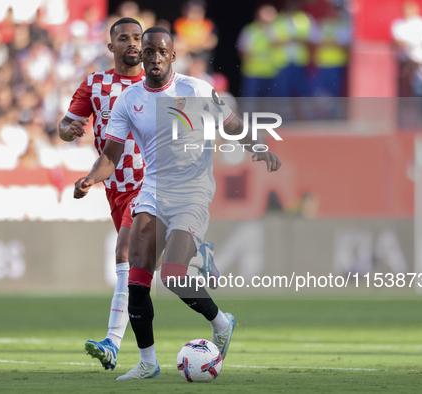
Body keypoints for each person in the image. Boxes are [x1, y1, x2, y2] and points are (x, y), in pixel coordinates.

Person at [74, 27, 281, 380]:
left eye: (161, 52)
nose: (154, 57)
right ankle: (147, 362)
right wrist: (92, 178)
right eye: (149, 51)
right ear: (142, 55)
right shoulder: (129, 100)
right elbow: (111, 155)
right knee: (137, 280)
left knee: (171, 275)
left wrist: (259, 148)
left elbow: (231, 124)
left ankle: (221, 322)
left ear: (172, 56)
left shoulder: (195, 90)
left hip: (192, 194)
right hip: (152, 192)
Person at [58, 18, 219, 372]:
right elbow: (66, 127)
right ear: (111, 46)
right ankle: (193, 263)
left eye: (138, 39)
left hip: (149, 182)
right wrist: (70, 131)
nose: (132, 45)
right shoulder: (95, 85)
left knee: (127, 255)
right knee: (141, 270)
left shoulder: (168, 84)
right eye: (124, 39)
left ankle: (114, 343)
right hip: (114, 185)